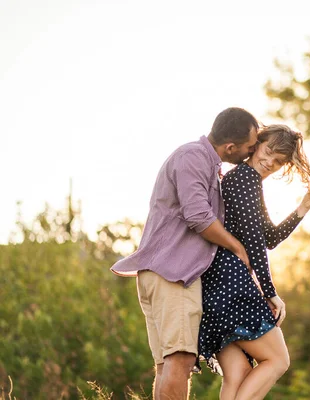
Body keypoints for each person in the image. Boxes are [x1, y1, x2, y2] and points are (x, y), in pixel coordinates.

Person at [110, 107, 260, 400]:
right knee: (179, 361)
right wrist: (236, 246)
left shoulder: (201, 160)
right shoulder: (193, 157)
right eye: (250, 146)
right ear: (230, 146)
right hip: (173, 276)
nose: (251, 151)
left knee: (168, 365)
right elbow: (198, 216)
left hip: (162, 274)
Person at [197, 124, 310, 400]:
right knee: (278, 360)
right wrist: (270, 292)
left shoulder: (242, 180)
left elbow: (269, 238)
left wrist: (303, 207)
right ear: (257, 144)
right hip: (232, 285)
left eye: (278, 162)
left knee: (238, 373)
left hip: (215, 287)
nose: (270, 162)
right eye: (268, 152)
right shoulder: (245, 179)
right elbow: (256, 246)